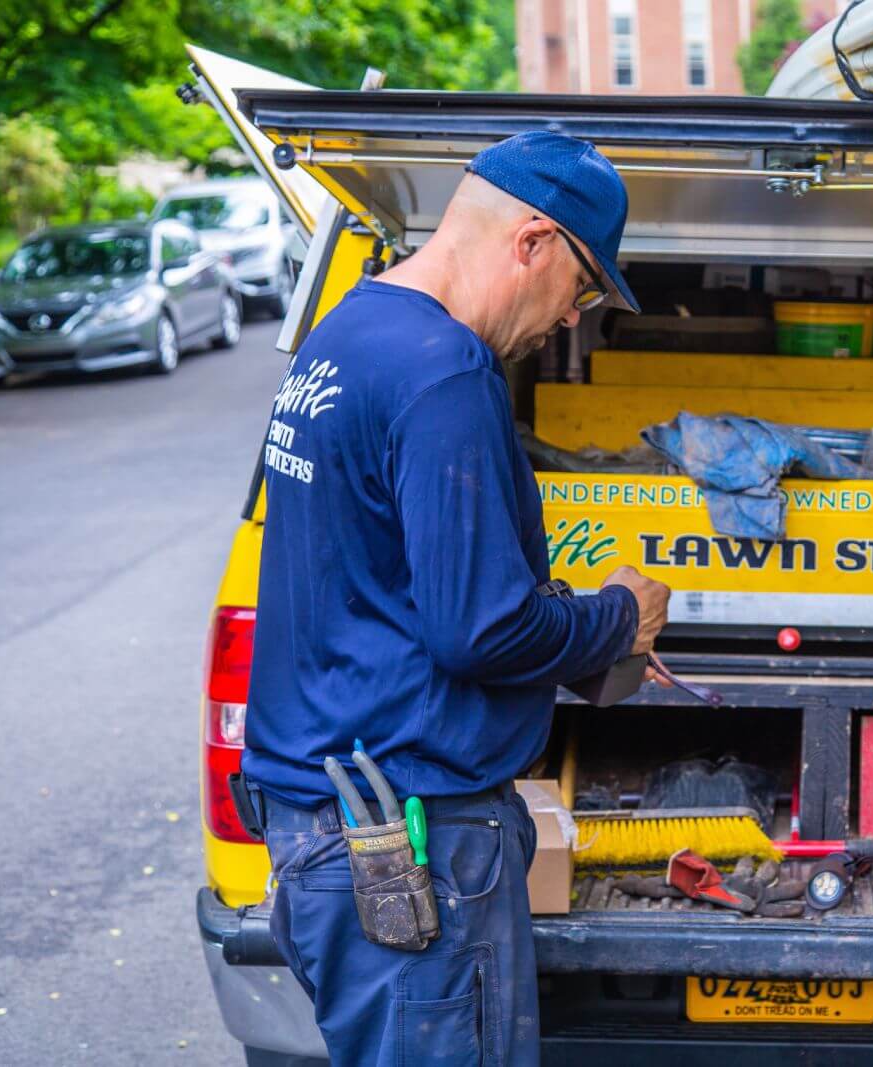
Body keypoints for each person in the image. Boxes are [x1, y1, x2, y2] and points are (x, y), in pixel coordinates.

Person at [242, 131, 670, 1065]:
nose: (572, 318)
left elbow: (392, 577)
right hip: (410, 838)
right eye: (584, 286)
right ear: (533, 242)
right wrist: (615, 617)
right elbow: (481, 629)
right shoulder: (447, 374)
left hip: (329, 825)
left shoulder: (349, 331)